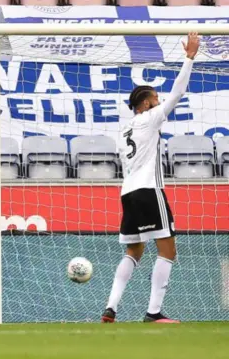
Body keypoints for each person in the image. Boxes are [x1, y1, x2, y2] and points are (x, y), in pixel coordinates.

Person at [101, 32, 199, 324]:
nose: (159, 103)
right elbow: (178, 93)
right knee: (167, 248)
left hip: (128, 193)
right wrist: (189, 57)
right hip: (148, 189)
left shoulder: (124, 131)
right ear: (144, 105)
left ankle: (111, 308)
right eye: (154, 99)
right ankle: (153, 312)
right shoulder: (150, 118)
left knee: (135, 249)